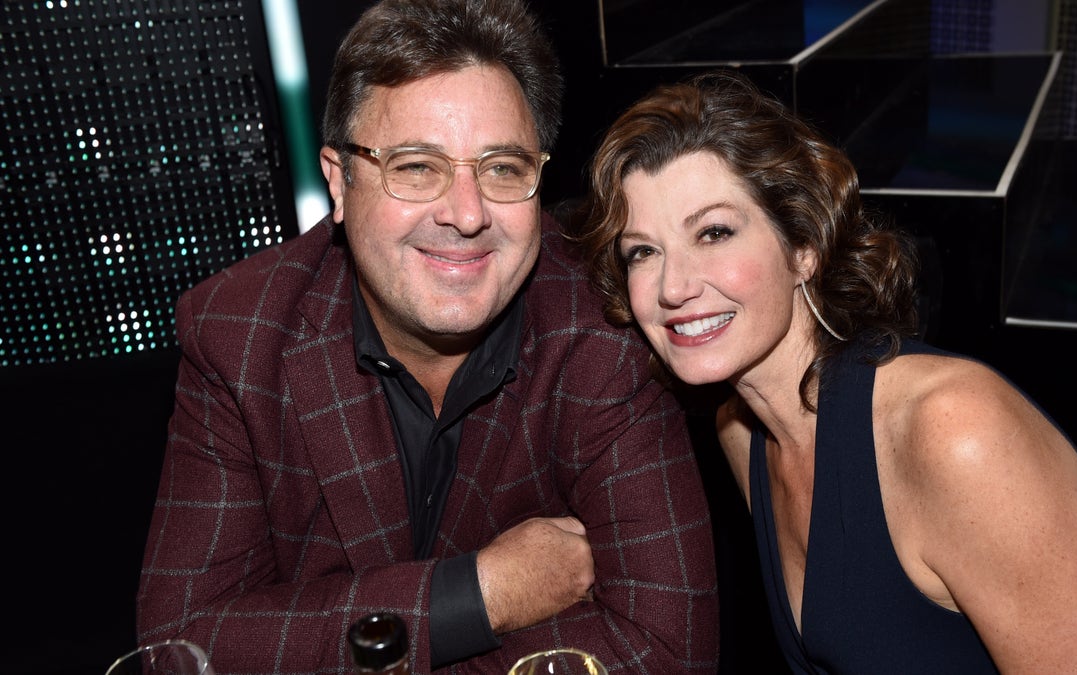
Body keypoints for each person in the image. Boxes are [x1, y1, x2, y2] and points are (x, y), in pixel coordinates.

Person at [135, 1, 720, 672]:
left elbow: (671, 652)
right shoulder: (238, 334)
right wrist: (479, 594)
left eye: (502, 167)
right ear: (339, 180)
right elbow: (183, 643)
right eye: (416, 167)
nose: (467, 214)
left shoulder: (607, 329)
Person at [576, 70, 1077, 674]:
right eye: (643, 252)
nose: (673, 286)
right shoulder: (742, 435)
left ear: (803, 246)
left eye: (713, 232)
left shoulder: (954, 432)